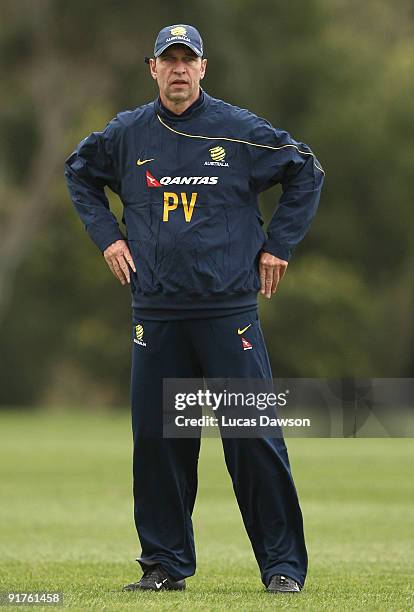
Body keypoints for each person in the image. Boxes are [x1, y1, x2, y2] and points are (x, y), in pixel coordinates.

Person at [65, 23, 324, 594]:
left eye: (189, 60)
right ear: (152, 69)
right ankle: (164, 565)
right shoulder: (127, 135)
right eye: (169, 60)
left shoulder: (239, 131)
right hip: (156, 314)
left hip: (227, 312)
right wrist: (109, 236)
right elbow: (78, 173)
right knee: (158, 446)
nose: (179, 69)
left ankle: (282, 568)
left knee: (252, 439)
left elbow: (306, 172)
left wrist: (278, 245)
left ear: (203, 68)